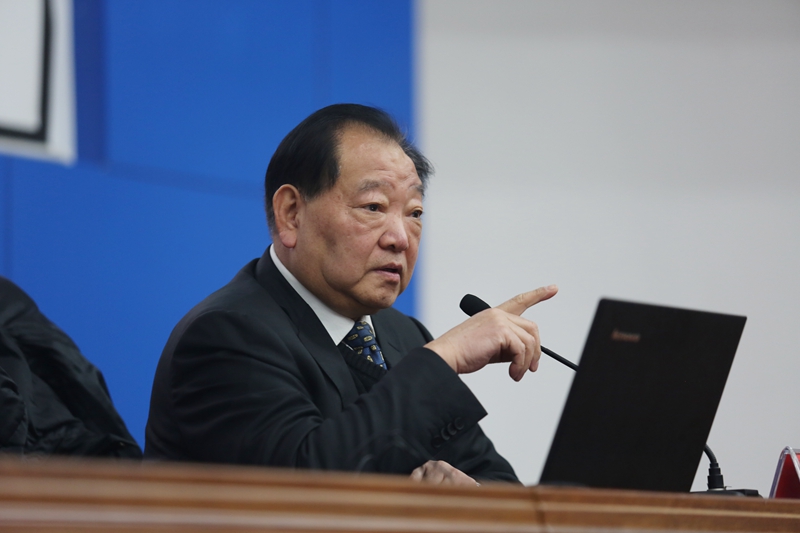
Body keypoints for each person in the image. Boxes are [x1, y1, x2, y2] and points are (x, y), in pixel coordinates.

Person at [145, 104, 557, 485]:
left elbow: (496, 480)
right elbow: (303, 487)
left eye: (414, 213)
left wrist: (473, 501)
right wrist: (444, 357)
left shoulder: (403, 336)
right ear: (291, 214)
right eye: (373, 207)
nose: (400, 238)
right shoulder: (226, 334)